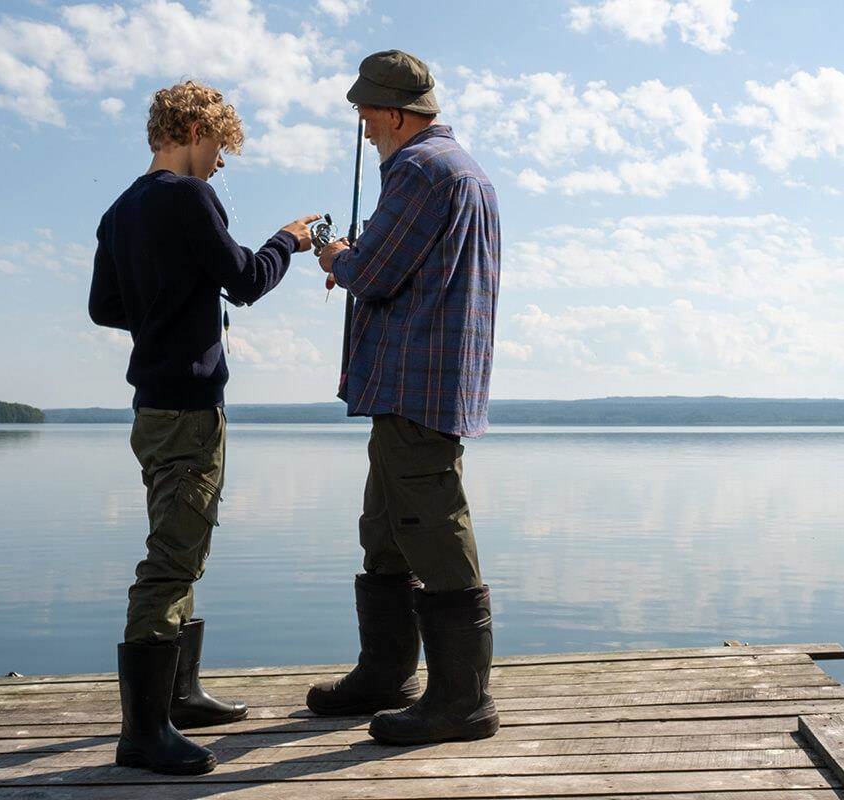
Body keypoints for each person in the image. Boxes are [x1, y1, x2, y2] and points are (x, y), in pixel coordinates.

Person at [89, 80, 322, 775]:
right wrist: (290, 239)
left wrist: (163, 309)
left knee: (180, 543)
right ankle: (143, 735)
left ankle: (180, 696)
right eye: (221, 146)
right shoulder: (190, 198)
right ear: (194, 130)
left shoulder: (120, 209)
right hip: (189, 409)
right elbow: (246, 279)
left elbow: (106, 307)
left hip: (150, 409)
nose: (222, 162)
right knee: (172, 562)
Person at [309, 50, 502, 746]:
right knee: (386, 529)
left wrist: (335, 257)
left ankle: (462, 702)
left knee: (434, 531)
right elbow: (402, 265)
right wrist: (362, 259)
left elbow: (376, 273)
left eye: (367, 117)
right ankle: (387, 676)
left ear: (394, 115)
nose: (364, 131)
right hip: (421, 381)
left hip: (415, 382)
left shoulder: (421, 170)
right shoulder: (458, 169)